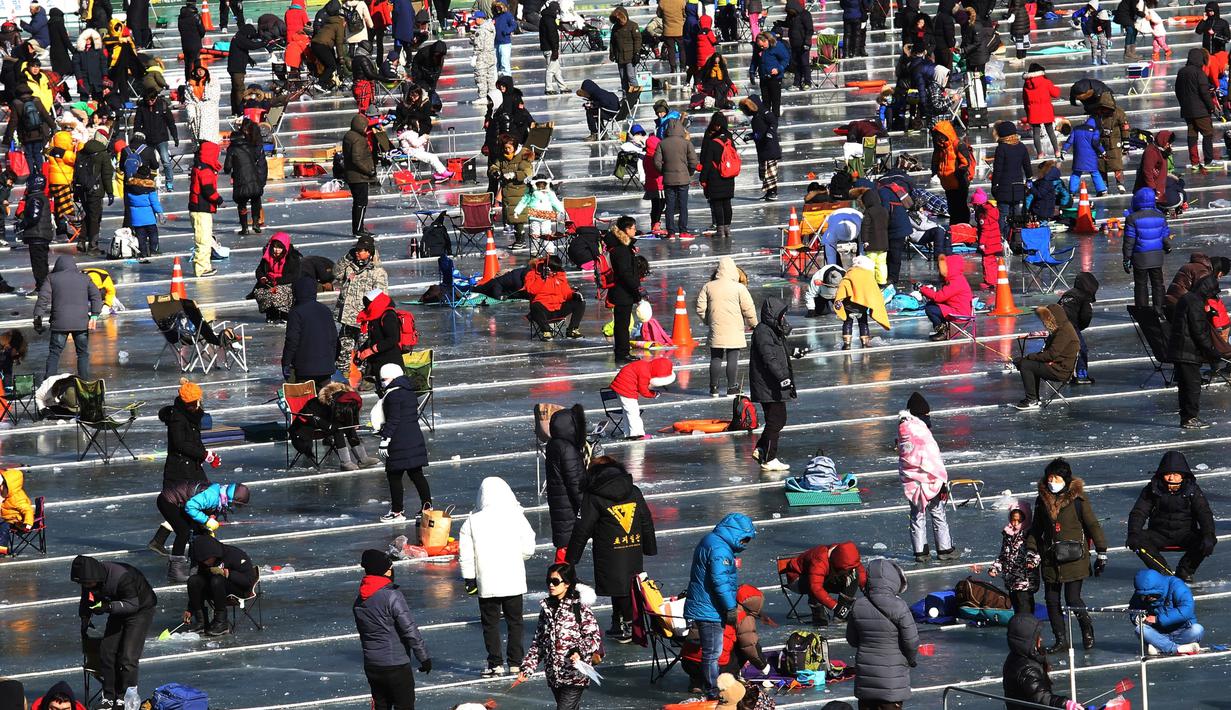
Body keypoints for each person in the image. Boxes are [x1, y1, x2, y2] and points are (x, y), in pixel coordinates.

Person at [565, 456, 657, 640]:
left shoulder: (593, 497)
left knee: (618, 587)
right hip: (633, 545)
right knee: (628, 587)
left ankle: (629, 626)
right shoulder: (634, 491)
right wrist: (648, 546)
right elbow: (645, 519)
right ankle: (620, 623)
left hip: (609, 550)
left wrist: (571, 559)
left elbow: (582, 529)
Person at [1027, 458, 1108, 653]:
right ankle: (1060, 639)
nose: (1051, 481)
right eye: (1049, 477)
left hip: (1075, 558)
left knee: (1073, 598)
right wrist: (1031, 548)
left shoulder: (1078, 500)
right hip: (1050, 558)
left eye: (1055, 477)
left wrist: (1102, 551)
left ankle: (1086, 630)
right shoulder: (1042, 499)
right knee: (1051, 600)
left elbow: (1092, 525)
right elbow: (1036, 529)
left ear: (1065, 478)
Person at [459, 476, 536, 677]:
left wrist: (469, 579)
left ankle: (495, 663)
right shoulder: (517, 516)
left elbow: (466, 554)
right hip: (513, 579)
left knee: (490, 623)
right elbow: (529, 546)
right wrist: (518, 558)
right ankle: (515, 662)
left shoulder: (472, 521)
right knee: (515, 622)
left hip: (487, 582)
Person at [684, 513, 757, 699]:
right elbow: (720, 581)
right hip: (710, 609)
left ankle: (709, 686)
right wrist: (730, 607)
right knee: (712, 653)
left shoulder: (712, 541)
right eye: (745, 539)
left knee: (711, 651)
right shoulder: (720, 550)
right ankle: (712, 690)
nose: (745, 544)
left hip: (705, 605)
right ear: (736, 533)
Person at [70, 555, 157, 709]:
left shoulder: (122, 576)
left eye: (89, 583)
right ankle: (109, 695)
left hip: (140, 610)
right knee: (107, 651)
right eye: (84, 584)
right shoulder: (89, 578)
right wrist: (85, 619)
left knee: (128, 657)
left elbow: (132, 605)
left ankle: (125, 696)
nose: (87, 586)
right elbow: (86, 601)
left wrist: (107, 607)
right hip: (118, 608)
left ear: (97, 576)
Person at [516, 563, 604, 710]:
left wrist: (579, 651)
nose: (551, 585)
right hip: (554, 674)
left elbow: (593, 637)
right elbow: (539, 642)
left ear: (567, 584)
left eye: (555, 582)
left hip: (574, 674)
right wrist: (527, 668)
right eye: (549, 581)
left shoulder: (580, 607)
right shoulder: (547, 609)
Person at [353, 549, 432, 710]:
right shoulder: (392, 596)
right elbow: (409, 629)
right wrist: (424, 658)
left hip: (373, 665)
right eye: (389, 568)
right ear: (383, 571)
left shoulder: (360, 599)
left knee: (381, 705)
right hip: (396, 665)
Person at [151, 379, 214, 580]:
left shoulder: (191, 416)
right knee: (186, 520)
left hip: (191, 469)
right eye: (196, 401)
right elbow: (180, 444)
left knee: (192, 518)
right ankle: (181, 562)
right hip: (180, 473)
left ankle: (197, 559)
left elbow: (193, 442)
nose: (200, 404)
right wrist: (203, 455)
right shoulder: (179, 418)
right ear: (190, 402)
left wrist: (204, 455)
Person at [1128, 450, 1217, 581]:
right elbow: (1139, 512)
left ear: (1183, 476)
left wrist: (1209, 534)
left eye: (1175, 474)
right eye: (1168, 474)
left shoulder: (1193, 490)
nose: (1171, 478)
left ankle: (1185, 571)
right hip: (1159, 534)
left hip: (1185, 534)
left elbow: (1204, 513)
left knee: (1206, 539)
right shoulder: (1152, 489)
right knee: (1138, 540)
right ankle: (1163, 571)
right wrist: (1133, 533)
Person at [846, 559, 919, 710]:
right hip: (892, 680)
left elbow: (852, 640)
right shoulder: (899, 607)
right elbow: (911, 641)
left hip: (866, 681)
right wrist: (911, 660)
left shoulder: (858, 605)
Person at [898, 404, 957, 563]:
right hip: (930, 482)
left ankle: (920, 552)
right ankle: (945, 549)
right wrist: (942, 482)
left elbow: (905, 461)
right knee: (938, 513)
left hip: (912, 483)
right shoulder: (922, 434)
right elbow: (933, 460)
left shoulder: (904, 432)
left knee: (917, 516)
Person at [681, 585, 768, 692]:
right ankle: (729, 679)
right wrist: (763, 665)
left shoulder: (712, 603)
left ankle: (697, 682)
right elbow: (750, 646)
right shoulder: (743, 616)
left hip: (688, 661)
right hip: (716, 666)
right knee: (741, 646)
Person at [374, 363, 431, 521]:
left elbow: (393, 420)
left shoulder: (393, 395)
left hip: (399, 441)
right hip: (413, 437)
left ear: (393, 377)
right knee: (417, 474)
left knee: (394, 476)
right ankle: (427, 506)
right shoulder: (408, 391)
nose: (383, 382)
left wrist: (385, 439)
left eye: (384, 379)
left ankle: (397, 511)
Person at [1168, 274, 1223, 429]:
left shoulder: (1188, 298)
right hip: (1187, 350)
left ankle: (1186, 417)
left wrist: (1207, 314)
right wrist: (1211, 350)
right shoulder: (1195, 302)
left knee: (1185, 385)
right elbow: (1198, 331)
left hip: (1180, 349)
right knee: (1192, 385)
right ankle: (1190, 417)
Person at [34, 255, 101, 380]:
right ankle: (84, 382)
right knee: (82, 354)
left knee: (54, 353)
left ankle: (48, 382)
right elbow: (96, 297)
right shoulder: (85, 278)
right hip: (81, 323)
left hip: (59, 323)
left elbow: (43, 299)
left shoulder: (51, 278)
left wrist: (38, 317)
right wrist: (95, 315)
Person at [696, 256, 757, 395]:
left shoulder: (708, 286)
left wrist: (708, 320)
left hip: (716, 327)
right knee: (733, 358)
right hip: (734, 328)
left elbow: (700, 307)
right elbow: (748, 308)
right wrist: (753, 324)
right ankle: (731, 387)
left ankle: (713, 387)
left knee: (716, 358)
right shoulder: (739, 288)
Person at [1002, 613, 1086, 710]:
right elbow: (1042, 697)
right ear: (1027, 640)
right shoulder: (1028, 670)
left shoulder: (1015, 657)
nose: (1041, 639)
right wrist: (1065, 703)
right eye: (1037, 636)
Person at [749, 297, 794, 471]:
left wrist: (793, 351)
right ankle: (768, 458)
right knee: (776, 420)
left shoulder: (772, 330)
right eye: (782, 315)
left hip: (771, 384)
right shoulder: (762, 332)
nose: (784, 319)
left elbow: (779, 349)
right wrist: (782, 377)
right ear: (773, 315)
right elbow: (769, 357)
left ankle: (761, 449)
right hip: (767, 385)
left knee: (777, 420)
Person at [334, 236, 389, 373]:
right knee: (342, 353)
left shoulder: (377, 272)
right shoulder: (349, 266)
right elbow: (336, 273)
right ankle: (341, 381)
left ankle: (367, 378)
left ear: (369, 252)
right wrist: (347, 258)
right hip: (347, 318)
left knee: (364, 353)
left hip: (365, 321)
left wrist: (370, 316)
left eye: (361, 250)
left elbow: (381, 298)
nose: (357, 252)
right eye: (356, 249)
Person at [183, 535, 256, 637]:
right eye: (203, 561)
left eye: (207, 559)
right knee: (194, 580)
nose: (206, 563)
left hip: (238, 589)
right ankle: (201, 621)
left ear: (214, 553)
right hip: (216, 590)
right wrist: (190, 609)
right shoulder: (204, 561)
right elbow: (201, 582)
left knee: (217, 579)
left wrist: (227, 573)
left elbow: (248, 582)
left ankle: (221, 622)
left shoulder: (235, 555)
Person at [1011, 305, 1079, 410]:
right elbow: (1048, 353)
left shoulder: (1064, 331)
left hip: (1060, 370)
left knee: (1026, 365)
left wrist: (1028, 357)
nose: (1044, 323)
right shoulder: (1061, 329)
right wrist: (1028, 358)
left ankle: (1032, 399)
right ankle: (1034, 398)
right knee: (1027, 363)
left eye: (1045, 320)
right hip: (1056, 365)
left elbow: (1051, 354)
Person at [783, 542, 866, 626]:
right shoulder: (819, 561)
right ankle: (819, 617)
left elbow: (860, 571)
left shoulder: (846, 556)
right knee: (813, 583)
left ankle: (841, 614)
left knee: (854, 576)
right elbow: (815, 587)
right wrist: (835, 606)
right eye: (846, 570)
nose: (848, 572)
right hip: (797, 580)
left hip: (825, 577)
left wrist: (866, 590)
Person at [544, 404, 586, 562]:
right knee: (566, 543)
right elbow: (575, 481)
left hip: (560, 501)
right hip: (567, 504)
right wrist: (586, 505)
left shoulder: (554, 444)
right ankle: (561, 576)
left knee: (565, 541)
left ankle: (567, 576)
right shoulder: (567, 448)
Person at [1129, 568, 1204, 656]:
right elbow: (1134, 609)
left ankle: (1160, 648)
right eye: (1144, 597)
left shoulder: (1177, 585)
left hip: (1182, 630)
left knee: (1197, 630)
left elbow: (1186, 610)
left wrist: (1157, 619)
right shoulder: (1141, 592)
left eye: (1152, 595)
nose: (1148, 599)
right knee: (1140, 629)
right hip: (1158, 633)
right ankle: (1177, 649)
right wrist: (1137, 617)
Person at [283, 276, 340, 386]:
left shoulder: (296, 312)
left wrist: (286, 363)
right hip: (326, 367)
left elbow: (292, 341)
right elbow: (334, 339)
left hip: (304, 368)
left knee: (306, 400)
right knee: (324, 399)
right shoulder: (325, 310)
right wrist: (331, 360)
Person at [1122, 187, 1172, 312]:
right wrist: (1167, 247)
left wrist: (1126, 258)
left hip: (1140, 257)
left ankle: (1143, 311)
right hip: (1156, 256)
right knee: (1158, 284)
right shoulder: (1160, 216)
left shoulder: (1132, 218)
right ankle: (1159, 309)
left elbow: (1129, 241)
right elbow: (1164, 236)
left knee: (1141, 285)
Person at [603, 216, 644, 363]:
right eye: (633, 228)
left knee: (622, 324)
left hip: (621, 291)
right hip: (622, 292)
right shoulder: (621, 249)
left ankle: (622, 351)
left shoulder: (620, 246)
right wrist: (636, 290)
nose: (635, 230)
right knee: (622, 325)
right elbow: (625, 273)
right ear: (626, 230)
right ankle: (622, 353)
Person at [990, 501, 1041, 614]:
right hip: (1011, 579)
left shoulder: (1030, 534)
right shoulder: (1008, 534)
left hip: (1025, 580)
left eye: (1019, 520)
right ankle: (1021, 627)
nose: (1015, 523)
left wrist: (1032, 561)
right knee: (1017, 607)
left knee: (1025, 607)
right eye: (1013, 519)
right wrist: (995, 568)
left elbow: (1037, 553)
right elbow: (1003, 555)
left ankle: (1027, 627)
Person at [608, 356, 675, 439]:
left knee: (628, 412)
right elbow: (643, 390)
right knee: (633, 412)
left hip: (622, 387)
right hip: (626, 389)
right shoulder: (645, 373)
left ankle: (629, 433)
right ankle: (637, 434)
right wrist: (654, 394)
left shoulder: (645, 365)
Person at [833, 255, 890, 350]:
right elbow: (874, 291)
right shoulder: (868, 275)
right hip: (862, 306)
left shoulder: (850, 273)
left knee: (847, 323)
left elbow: (843, 286)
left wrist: (839, 299)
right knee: (863, 323)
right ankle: (865, 342)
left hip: (849, 305)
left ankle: (847, 344)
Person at [654, 117, 697, 240]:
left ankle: (671, 232)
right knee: (683, 206)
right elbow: (693, 161)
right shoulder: (686, 143)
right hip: (683, 179)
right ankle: (683, 230)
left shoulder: (662, 143)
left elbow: (656, 162)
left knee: (670, 206)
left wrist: (664, 171)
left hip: (668, 179)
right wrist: (689, 172)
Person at [523, 256, 584, 340]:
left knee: (580, 302)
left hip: (558, 308)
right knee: (535, 306)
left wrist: (574, 295)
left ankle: (572, 330)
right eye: (554, 269)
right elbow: (531, 291)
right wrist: (542, 278)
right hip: (543, 311)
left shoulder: (559, 275)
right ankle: (546, 331)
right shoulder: (532, 274)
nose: (555, 271)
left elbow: (566, 294)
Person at [1176, 48, 1217, 171]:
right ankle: (1208, 160)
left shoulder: (1181, 72)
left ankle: (1194, 162)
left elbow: (1177, 90)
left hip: (1187, 110)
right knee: (1207, 133)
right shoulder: (1199, 73)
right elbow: (1204, 92)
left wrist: (1183, 104)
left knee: (1192, 135)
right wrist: (1211, 107)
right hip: (1200, 110)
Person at [225, 119, 267, 235]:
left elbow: (227, 168)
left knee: (242, 203)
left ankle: (244, 228)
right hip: (254, 178)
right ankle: (255, 223)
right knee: (255, 199)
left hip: (241, 180)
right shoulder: (251, 146)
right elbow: (255, 160)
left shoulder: (232, 149)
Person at [188, 141, 224, 277]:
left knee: (205, 239)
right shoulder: (206, 170)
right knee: (203, 240)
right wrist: (219, 200)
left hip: (198, 208)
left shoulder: (199, 166)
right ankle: (201, 269)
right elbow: (208, 190)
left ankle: (205, 266)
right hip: (201, 209)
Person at [699, 111, 736, 239]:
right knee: (727, 202)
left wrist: (702, 178)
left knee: (717, 203)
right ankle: (727, 229)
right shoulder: (729, 137)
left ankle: (720, 229)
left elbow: (707, 161)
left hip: (715, 176)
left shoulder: (711, 140)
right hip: (728, 174)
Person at [1058, 272, 1100, 385]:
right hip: (1069, 325)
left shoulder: (1068, 294)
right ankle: (1081, 374)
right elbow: (1085, 316)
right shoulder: (1085, 297)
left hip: (1056, 323)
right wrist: (1079, 327)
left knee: (1061, 348)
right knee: (1081, 349)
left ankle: (1061, 371)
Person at [250, 232, 302, 322]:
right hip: (269, 282)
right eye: (275, 247)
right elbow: (260, 270)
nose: (276, 250)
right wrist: (262, 278)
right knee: (262, 292)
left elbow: (295, 275)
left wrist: (277, 281)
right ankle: (271, 314)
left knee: (278, 292)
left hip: (286, 284)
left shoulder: (293, 258)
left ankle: (285, 314)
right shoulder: (267, 256)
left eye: (280, 248)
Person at [919, 254, 973, 341]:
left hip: (960, 313)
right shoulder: (957, 279)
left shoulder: (955, 282)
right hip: (958, 309)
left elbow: (938, 297)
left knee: (931, 308)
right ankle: (942, 329)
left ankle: (942, 332)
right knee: (932, 305)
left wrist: (923, 289)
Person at [354, 289, 404, 382]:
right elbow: (373, 338)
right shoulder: (375, 316)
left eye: (368, 303)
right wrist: (361, 350)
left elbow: (392, 339)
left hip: (390, 364)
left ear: (377, 302)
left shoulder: (388, 315)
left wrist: (371, 351)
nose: (367, 307)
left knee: (393, 391)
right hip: (378, 362)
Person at [991, 121, 1031, 234]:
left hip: (1004, 187)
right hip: (1018, 187)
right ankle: (1016, 236)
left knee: (1003, 214)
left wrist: (994, 185)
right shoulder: (1021, 147)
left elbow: (997, 170)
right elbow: (1027, 166)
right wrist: (1029, 180)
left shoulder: (1001, 148)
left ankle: (1004, 236)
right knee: (1016, 212)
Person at [343, 113, 377, 238]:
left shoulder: (349, 135)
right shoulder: (358, 139)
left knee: (358, 203)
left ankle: (358, 227)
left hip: (352, 175)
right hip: (359, 176)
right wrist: (369, 171)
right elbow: (356, 158)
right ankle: (358, 229)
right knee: (361, 203)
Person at [930, 120, 971, 224]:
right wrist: (936, 172)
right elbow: (935, 161)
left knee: (961, 208)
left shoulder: (958, 145)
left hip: (959, 183)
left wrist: (958, 174)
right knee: (952, 209)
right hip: (948, 183)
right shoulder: (940, 147)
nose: (939, 138)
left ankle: (964, 229)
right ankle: (954, 230)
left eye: (941, 135)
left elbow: (965, 163)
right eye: (938, 135)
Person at [740, 95, 780, 201]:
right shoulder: (756, 117)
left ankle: (773, 191)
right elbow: (759, 133)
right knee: (764, 171)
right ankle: (768, 191)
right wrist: (751, 136)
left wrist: (770, 132)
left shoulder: (765, 113)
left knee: (770, 170)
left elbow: (774, 122)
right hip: (762, 148)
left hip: (770, 147)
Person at [1165, 254, 1229, 319]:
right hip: (1178, 309)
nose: (1218, 278)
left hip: (1171, 303)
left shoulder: (1195, 266)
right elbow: (1202, 295)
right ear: (1218, 268)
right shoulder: (1203, 272)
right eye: (1221, 275)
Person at [19, 174, 52, 294]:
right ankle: (43, 286)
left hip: (37, 235)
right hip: (41, 234)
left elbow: (33, 217)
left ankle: (41, 287)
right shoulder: (40, 197)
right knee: (42, 262)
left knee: (38, 263)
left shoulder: (36, 198)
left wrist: (22, 224)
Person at [1022, 64, 1060, 158]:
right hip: (1046, 109)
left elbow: (1025, 100)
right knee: (1050, 131)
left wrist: (1027, 112)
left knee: (1036, 133)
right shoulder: (1046, 81)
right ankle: (1057, 151)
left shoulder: (1026, 84)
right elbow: (1055, 94)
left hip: (1033, 110)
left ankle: (1040, 153)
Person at [125, 164, 163, 258]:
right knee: (153, 234)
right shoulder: (149, 188)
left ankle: (143, 252)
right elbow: (154, 203)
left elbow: (127, 201)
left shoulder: (130, 186)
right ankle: (153, 250)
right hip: (148, 215)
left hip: (136, 215)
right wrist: (160, 213)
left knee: (140, 236)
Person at [750, 32, 788, 117]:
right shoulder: (758, 47)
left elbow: (785, 59)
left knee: (775, 100)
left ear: (767, 40)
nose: (762, 48)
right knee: (765, 100)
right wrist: (752, 72)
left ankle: (775, 119)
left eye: (763, 46)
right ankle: (766, 119)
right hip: (763, 76)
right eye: (760, 46)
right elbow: (754, 60)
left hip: (775, 77)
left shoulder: (777, 46)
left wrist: (778, 69)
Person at [970, 188, 1002, 290]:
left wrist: (982, 243)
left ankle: (990, 282)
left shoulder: (983, 215)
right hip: (995, 241)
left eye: (974, 205)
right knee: (992, 261)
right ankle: (994, 280)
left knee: (987, 262)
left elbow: (985, 230)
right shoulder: (991, 210)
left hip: (989, 242)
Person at [0, 468, 33, 556]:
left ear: (9, 487)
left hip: (15, 522)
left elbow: (28, 510)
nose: (0, 488)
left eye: (2, 486)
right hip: (5, 518)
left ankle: (2, 548)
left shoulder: (18, 498)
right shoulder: (6, 495)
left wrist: (28, 524)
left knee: (3, 526)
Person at [609, 7, 641, 93]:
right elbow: (612, 41)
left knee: (631, 77)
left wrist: (637, 53)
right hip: (619, 56)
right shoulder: (615, 27)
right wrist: (611, 53)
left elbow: (638, 40)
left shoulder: (633, 25)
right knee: (623, 78)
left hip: (631, 56)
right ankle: (625, 96)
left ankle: (636, 95)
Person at [493, 2, 515, 76]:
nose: (497, 8)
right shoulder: (495, 16)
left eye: (499, 7)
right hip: (496, 42)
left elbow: (514, 25)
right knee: (497, 63)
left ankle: (507, 78)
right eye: (496, 7)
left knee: (504, 62)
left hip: (505, 42)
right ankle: (499, 80)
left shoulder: (507, 15)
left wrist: (507, 31)